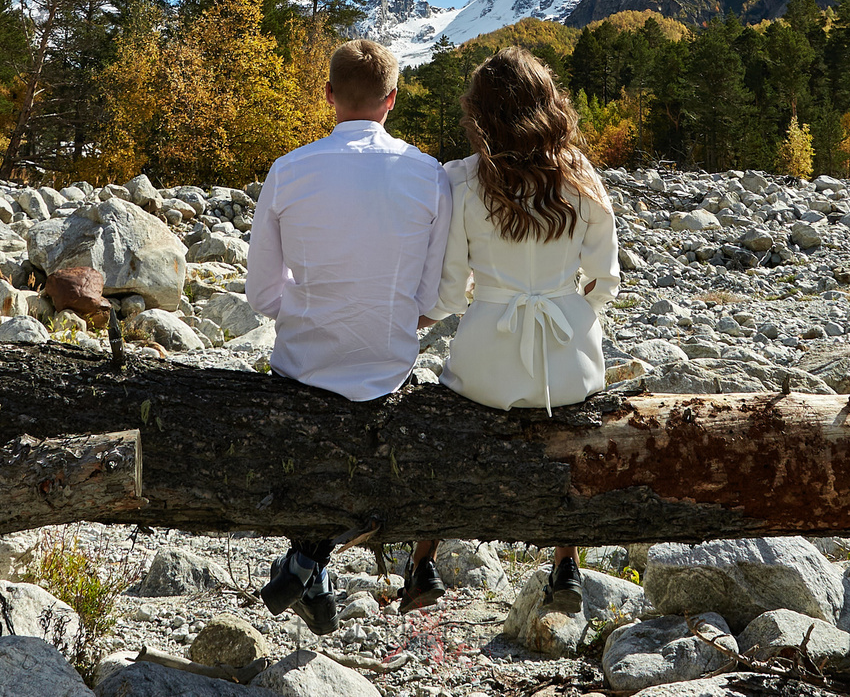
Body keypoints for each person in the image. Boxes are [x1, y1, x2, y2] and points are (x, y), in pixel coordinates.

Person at [399, 45, 619, 614]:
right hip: (570, 358)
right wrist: (575, 317)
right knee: (569, 445)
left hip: (486, 361)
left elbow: (449, 291)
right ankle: (566, 564)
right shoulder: (579, 174)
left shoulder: (462, 180)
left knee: (451, 441)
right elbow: (605, 277)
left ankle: (423, 562)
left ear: (481, 114)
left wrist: (409, 322)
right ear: (548, 105)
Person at [246, 37, 450, 633]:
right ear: (392, 99)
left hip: (303, 361)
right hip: (387, 362)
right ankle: (312, 563)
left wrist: (314, 306)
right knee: (362, 422)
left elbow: (261, 296)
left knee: (307, 411)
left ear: (328, 94)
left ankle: (310, 560)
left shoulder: (287, 171)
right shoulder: (429, 175)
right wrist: (389, 312)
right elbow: (435, 300)